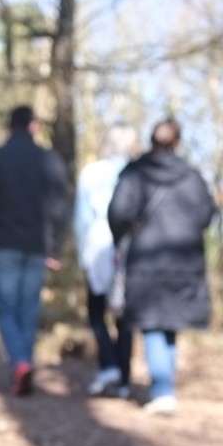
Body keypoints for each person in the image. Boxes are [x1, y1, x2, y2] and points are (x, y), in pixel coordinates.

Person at [107, 118, 217, 415]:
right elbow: (207, 214)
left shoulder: (135, 173)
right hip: (185, 261)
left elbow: (117, 212)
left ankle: (163, 388)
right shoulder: (192, 177)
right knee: (168, 324)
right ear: (177, 143)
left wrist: (123, 237)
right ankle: (165, 385)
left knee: (154, 323)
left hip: (146, 259)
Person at [0, 104, 72, 396]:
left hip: (3, 243)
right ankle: (24, 365)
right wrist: (54, 248)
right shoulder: (50, 161)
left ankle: (20, 364)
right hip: (37, 246)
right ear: (34, 126)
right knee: (28, 309)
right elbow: (61, 209)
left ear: (9, 127)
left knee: (5, 308)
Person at [73, 123, 138, 397]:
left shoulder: (93, 172)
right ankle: (122, 379)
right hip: (128, 245)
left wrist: (82, 254)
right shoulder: (137, 172)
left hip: (99, 243)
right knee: (124, 316)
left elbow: (81, 219)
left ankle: (110, 365)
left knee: (97, 311)